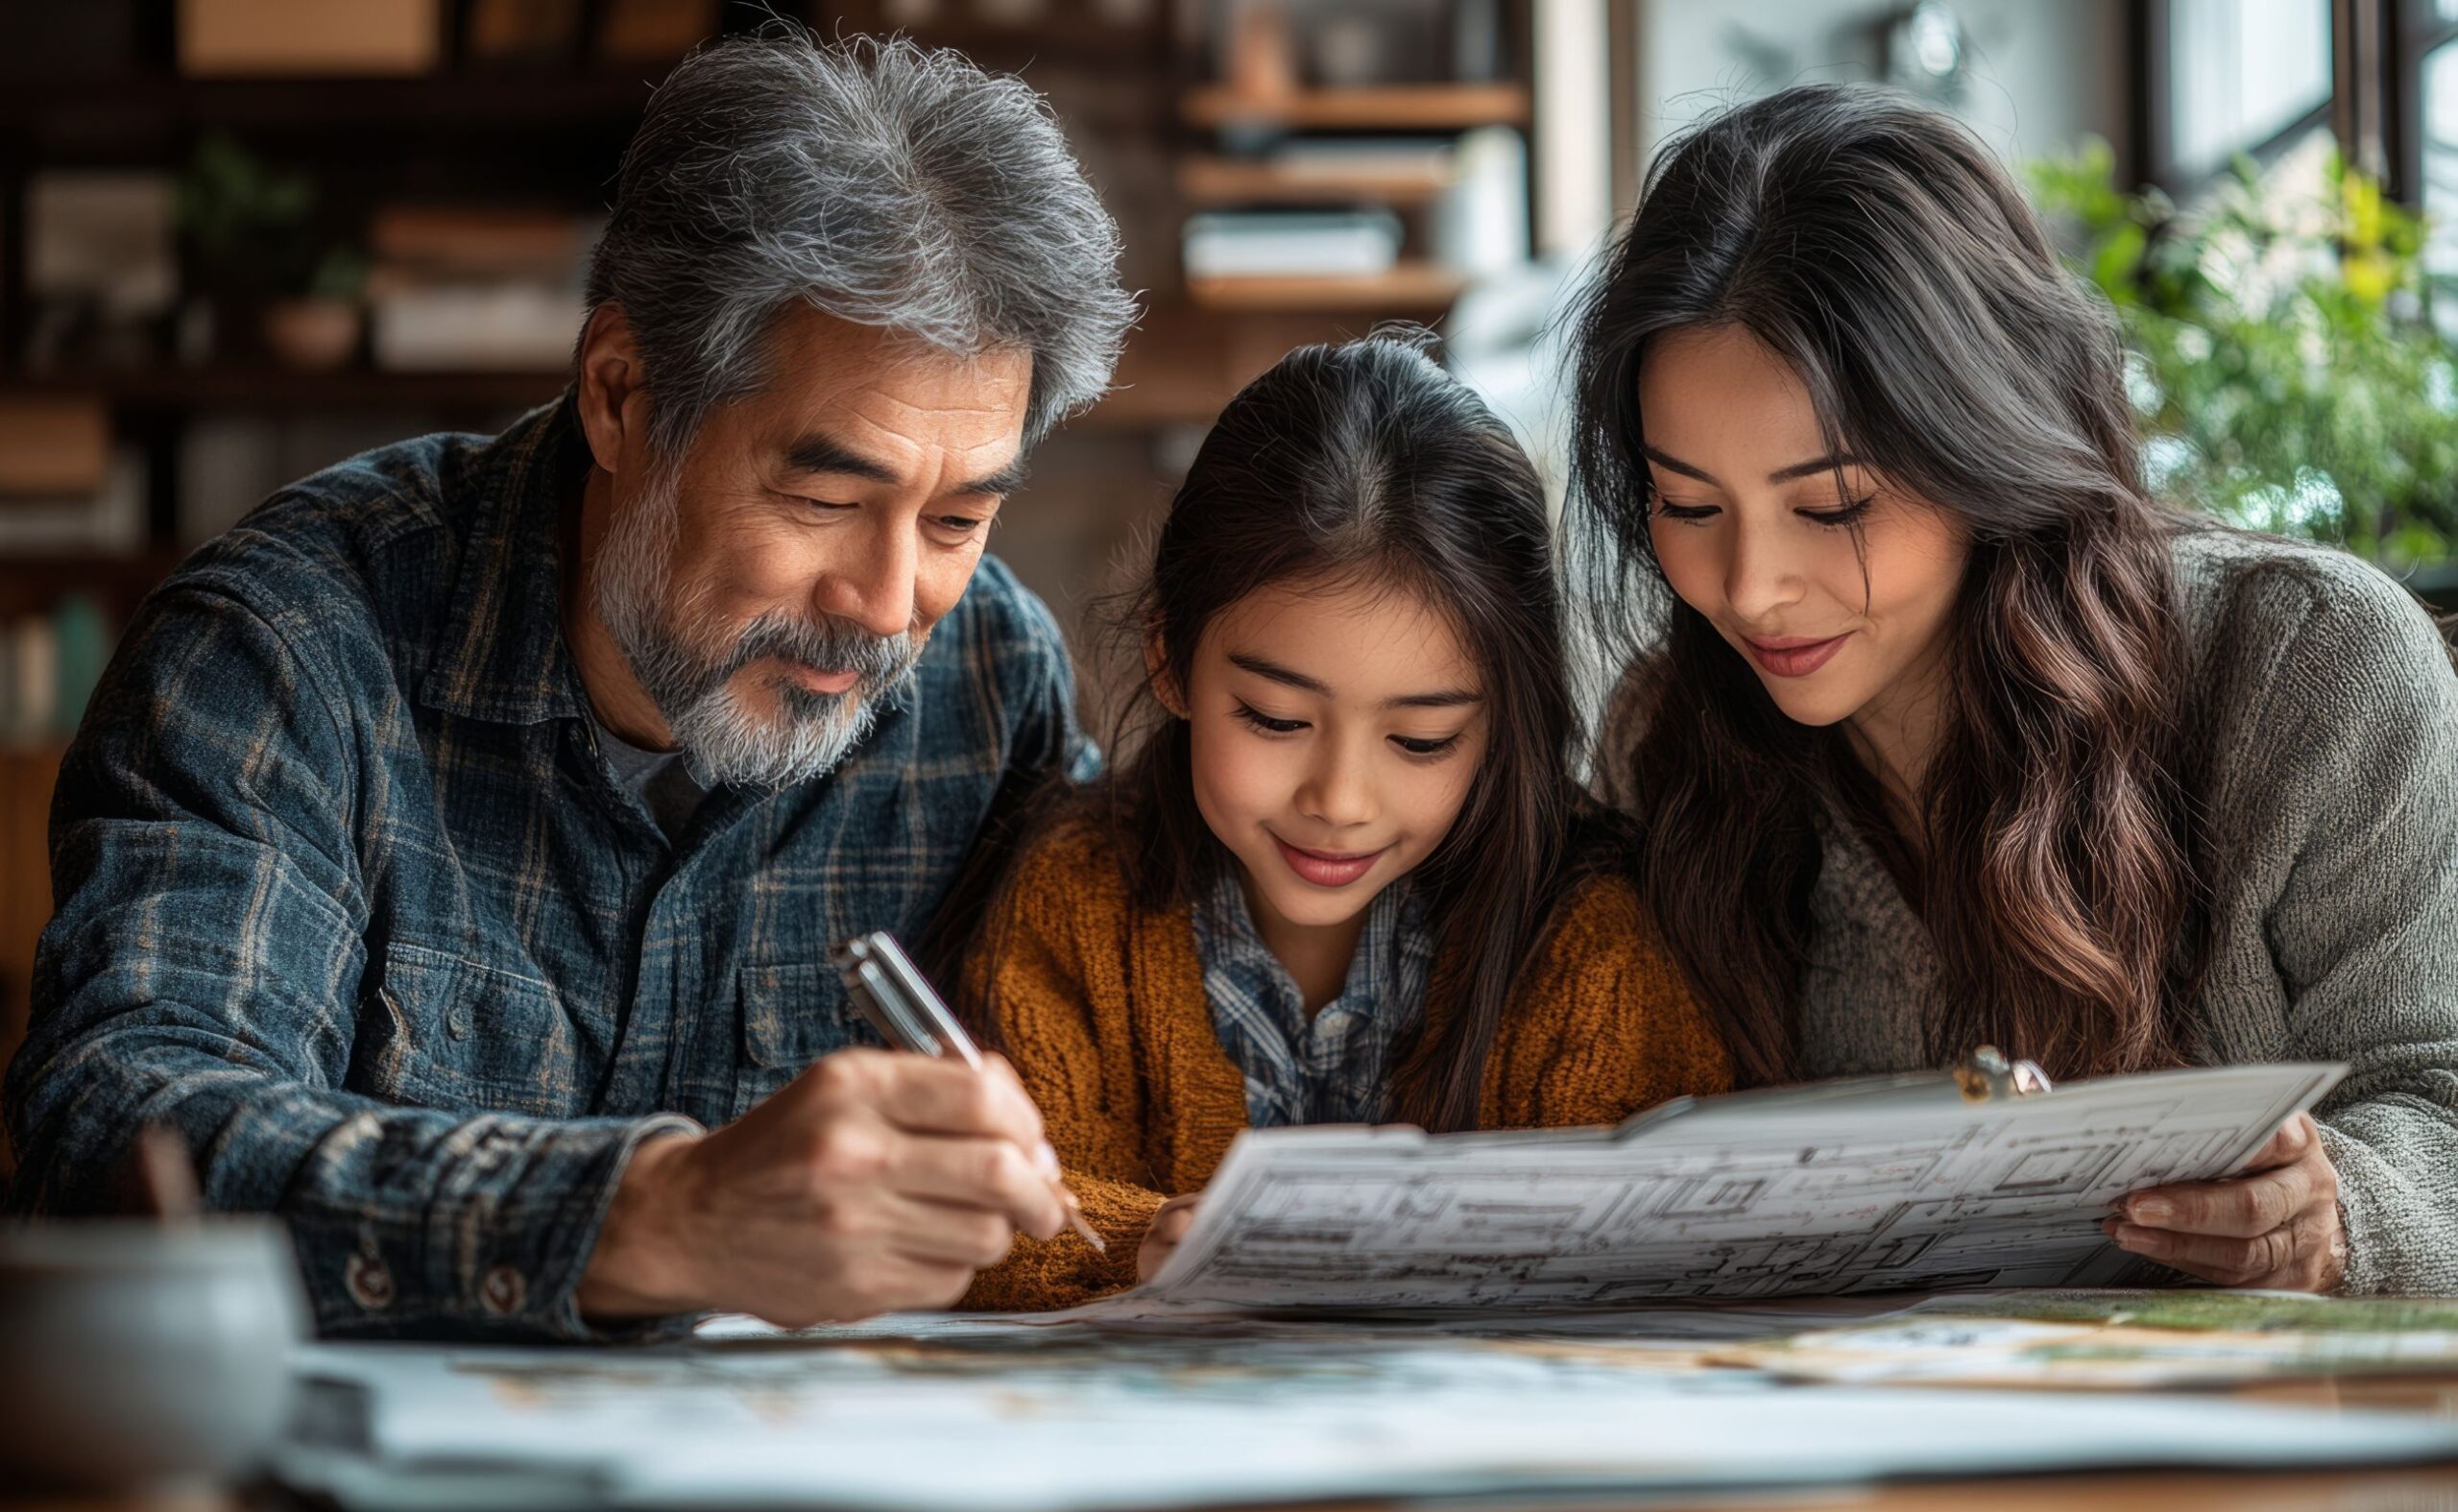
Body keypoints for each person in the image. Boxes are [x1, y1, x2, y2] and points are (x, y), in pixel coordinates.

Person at [3, 28, 1140, 1338]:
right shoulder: (288, 647)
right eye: (826, 494)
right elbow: (118, 1141)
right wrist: (656, 1211)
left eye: (957, 522)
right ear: (620, 395)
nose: (887, 607)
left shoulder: (988, 683)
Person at [1564, 84, 2458, 1296]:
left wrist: (2336, 1213)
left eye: (1832, 506)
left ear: (1986, 439)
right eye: (1687, 505)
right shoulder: (1669, 742)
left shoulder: (2309, 672)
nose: (1752, 588)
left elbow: (2439, 1100)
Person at [942, 334, 1732, 1310]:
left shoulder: (1588, 944)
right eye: (1276, 721)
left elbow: (1660, 1248)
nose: (1340, 801)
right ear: (1170, 657)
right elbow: (984, 1222)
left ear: (1503, 722)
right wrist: (1142, 1247)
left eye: (1423, 741)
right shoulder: (1077, 903)